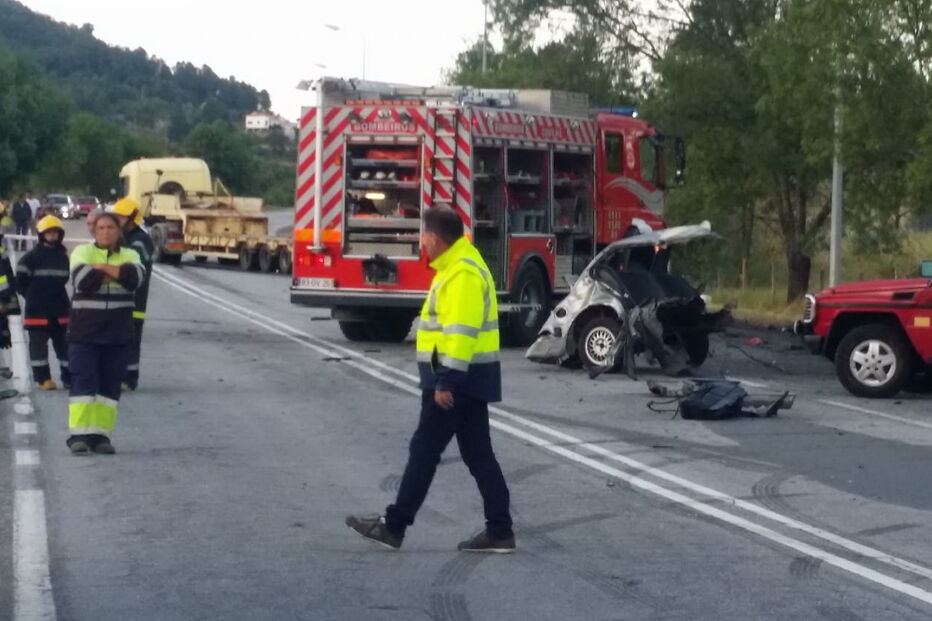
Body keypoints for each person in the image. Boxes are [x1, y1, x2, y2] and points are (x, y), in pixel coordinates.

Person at [346, 207, 514, 552]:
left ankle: (394, 527)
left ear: (436, 238)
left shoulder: (462, 274)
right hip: (465, 381)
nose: (422, 242)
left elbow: (461, 334)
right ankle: (500, 531)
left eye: (424, 236)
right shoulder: (456, 267)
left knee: (424, 452)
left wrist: (446, 382)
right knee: (479, 455)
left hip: (455, 384)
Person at [66, 212, 144, 455]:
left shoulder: (131, 254)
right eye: (101, 227)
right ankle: (78, 435)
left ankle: (101, 435)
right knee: (84, 382)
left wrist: (101, 268)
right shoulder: (82, 253)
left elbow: (135, 278)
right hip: (85, 332)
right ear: (94, 231)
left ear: (118, 231)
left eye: (111, 227)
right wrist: (113, 271)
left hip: (117, 334)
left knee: (109, 387)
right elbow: (83, 280)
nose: (106, 232)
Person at [17, 216, 72, 391]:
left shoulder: (63, 257)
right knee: (38, 348)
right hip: (37, 310)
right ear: (41, 235)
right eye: (49, 232)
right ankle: (43, 379)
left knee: (65, 346)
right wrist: (34, 297)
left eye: (55, 232)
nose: (52, 235)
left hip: (60, 309)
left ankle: (69, 378)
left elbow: (64, 279)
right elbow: (21, 283)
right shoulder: (29, 258)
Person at [112, 198, 153, 390]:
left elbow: (130, 264)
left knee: (131, 340)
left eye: (121, 217)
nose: (117, 220)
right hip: (121, 299)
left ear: (131, 219)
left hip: (135, 301)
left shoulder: (140, 240)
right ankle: (120, 375)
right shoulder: (126, 237)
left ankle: (129, 378)